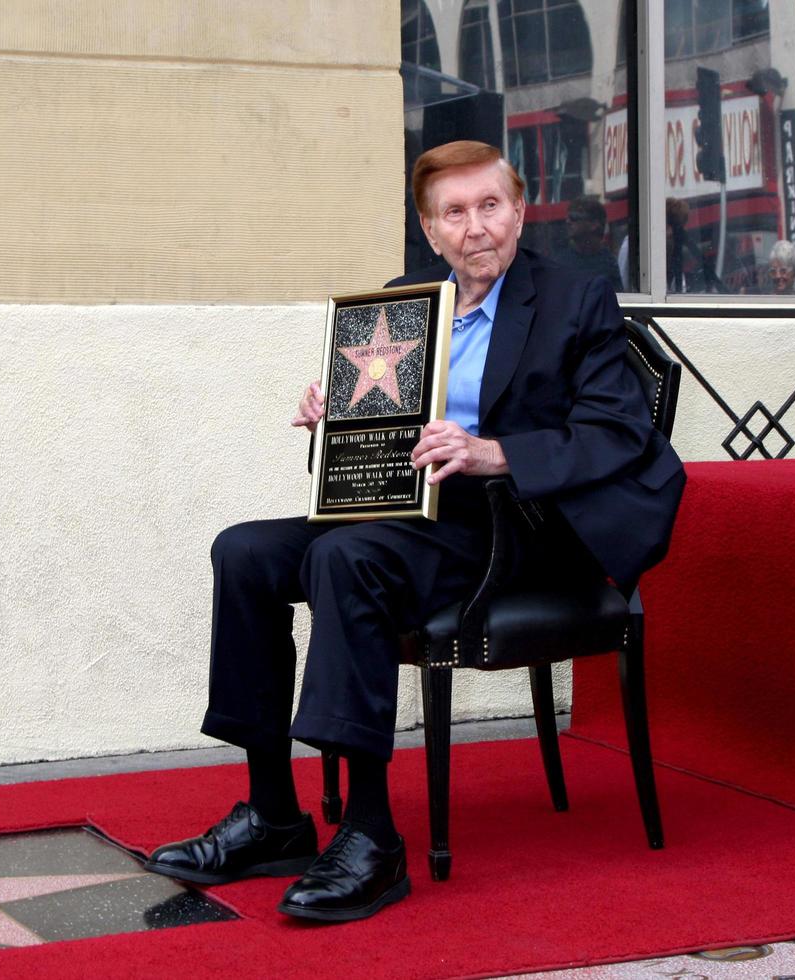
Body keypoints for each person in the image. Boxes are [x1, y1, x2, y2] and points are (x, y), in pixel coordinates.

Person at [146, 141, 685, 923]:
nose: (475, 228)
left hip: (517, 526)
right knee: (246, 551)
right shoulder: (406, 297)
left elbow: (616, 432)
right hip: (410, 516)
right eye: (454, 213)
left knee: (345, 556)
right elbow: (383, 432)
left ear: (519, 210)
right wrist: (335, 420)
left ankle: (370, 836)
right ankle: (273, 814)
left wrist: (491, 452)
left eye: (489, 206)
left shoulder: (576, 297)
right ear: (429, 230)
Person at [564, 196, 622, 292]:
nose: (568, 221)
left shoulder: (609, 263)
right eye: (568, 218)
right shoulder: (560, 262)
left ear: (594, 224)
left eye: (574, 217)